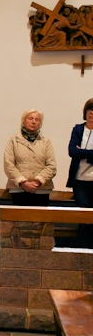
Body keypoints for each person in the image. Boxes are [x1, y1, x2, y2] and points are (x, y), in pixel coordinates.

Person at [3, 109, 56, 207]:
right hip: (18, 189)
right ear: (23, 121)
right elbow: (8, 165)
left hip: (41, 190)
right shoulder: (13, 141)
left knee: (40, 221)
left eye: (37, 119)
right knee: (21, 221)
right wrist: (23, 182)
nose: (34, 122)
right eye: (30, 118)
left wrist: (37, 181)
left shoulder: (46, 142)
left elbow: (51, 166)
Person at [66, 98, 93, 248]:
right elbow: (72, 151)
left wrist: (83, 153)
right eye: (90, 110)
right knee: (84, 218)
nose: (92, 113)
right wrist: (90, 154)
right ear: (85, 112)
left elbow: (78, 152)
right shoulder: (78, 129)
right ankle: (83, 252)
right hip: (80, 181)